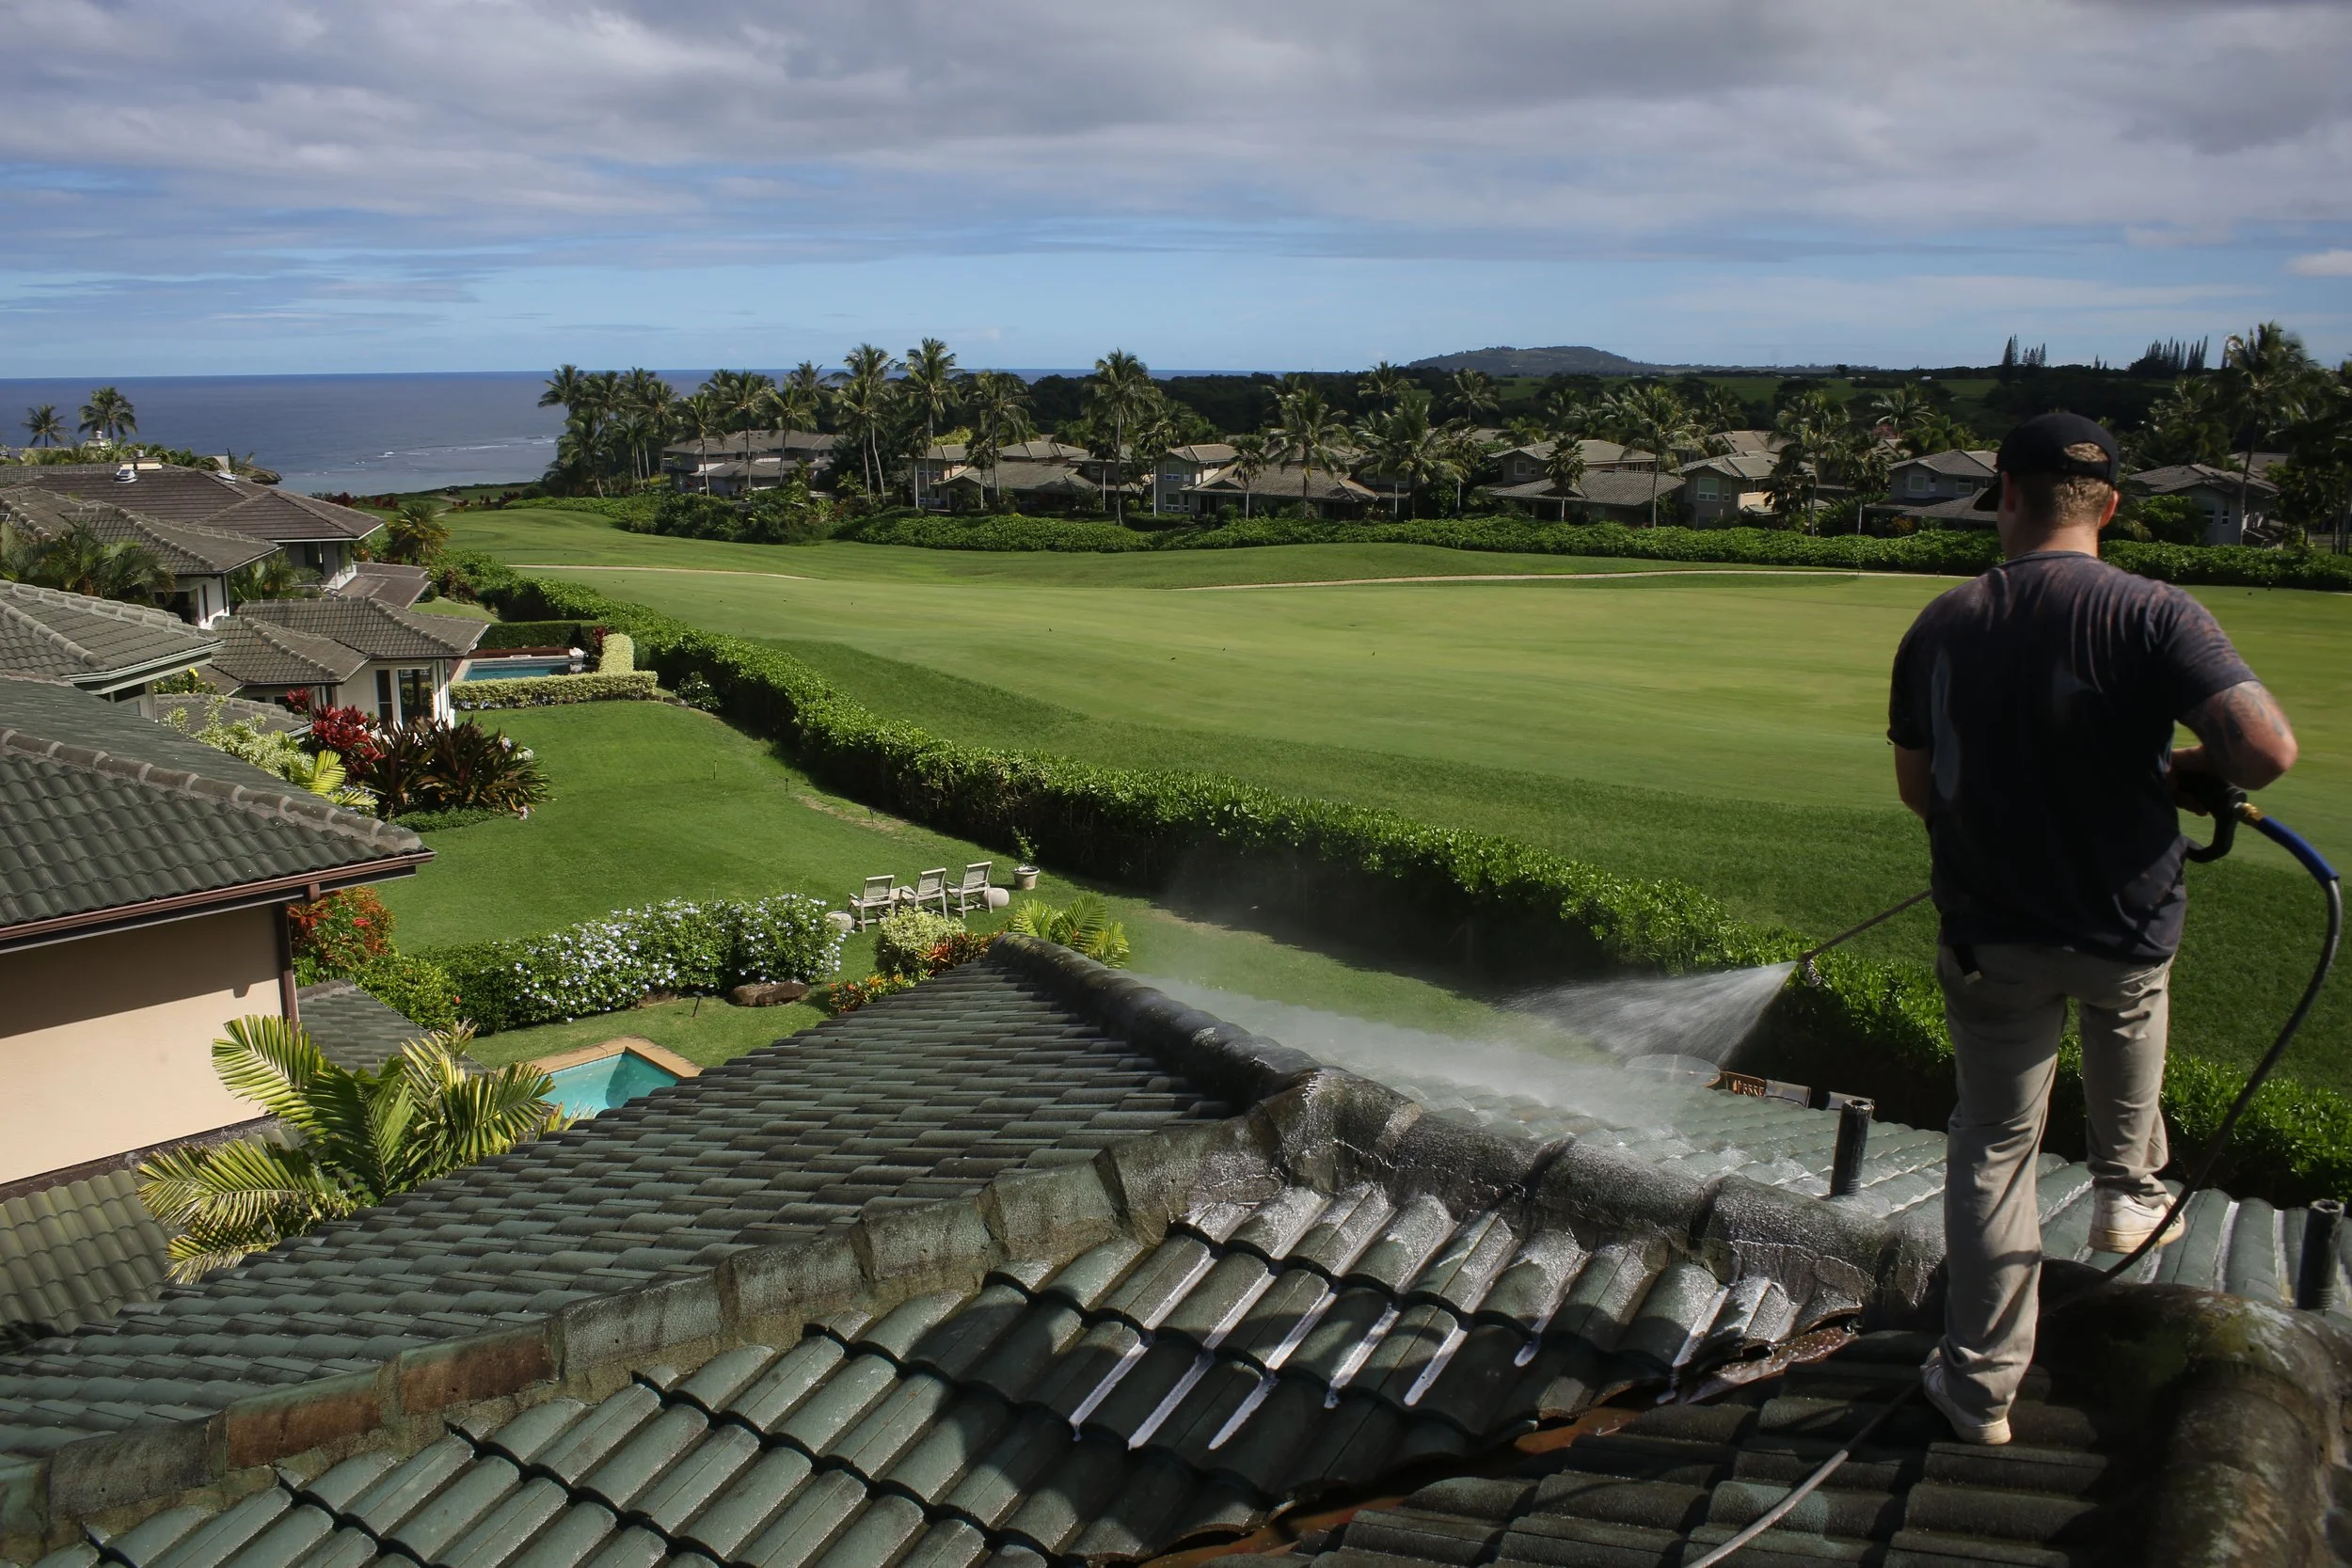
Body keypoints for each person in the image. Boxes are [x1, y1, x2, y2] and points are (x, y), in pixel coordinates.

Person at [1885, 411, 2298, 1446]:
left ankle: (1978, 1390)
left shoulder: (1943, 621)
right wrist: (2178, 771)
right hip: (2124, 925)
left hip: (1991, 933)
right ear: (2109, 506)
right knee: (2127, 1007)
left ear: (2008, 499)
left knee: (1992, 1146)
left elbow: (1919, 790)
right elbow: (2262, 750)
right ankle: (2128, 1184)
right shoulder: (2158, 612)